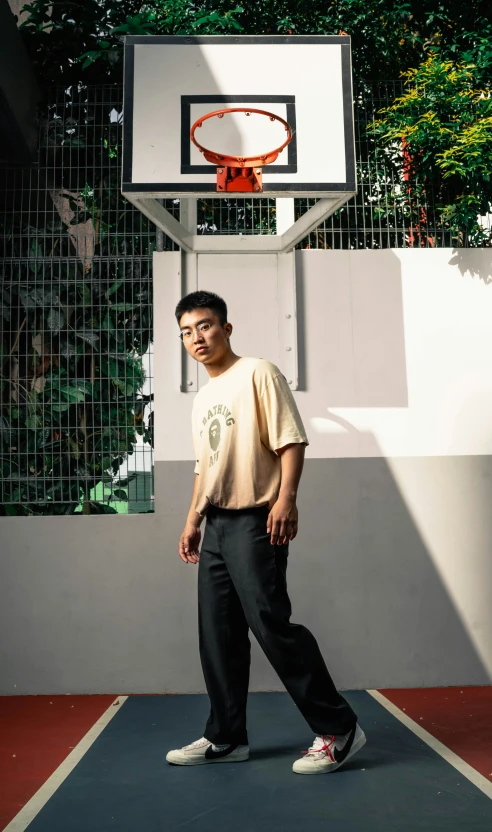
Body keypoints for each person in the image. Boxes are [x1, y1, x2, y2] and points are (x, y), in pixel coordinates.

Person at [166, 290, 366, 775]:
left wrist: (286, 498)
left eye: (206, 326)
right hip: (216, 524)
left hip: (257, 518)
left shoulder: (258, 372)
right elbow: (204, 466)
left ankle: (340, 730)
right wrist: (193, 519)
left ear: (226, 328)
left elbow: (291, 438)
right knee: (218, 634)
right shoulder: (203, 398)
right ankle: (226, 737)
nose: (197, 337)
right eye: (187, 332)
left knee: (271, 625)